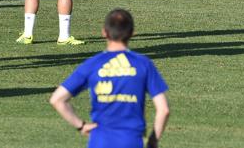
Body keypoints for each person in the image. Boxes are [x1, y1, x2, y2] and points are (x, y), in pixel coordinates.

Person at [50, 9, 170, 148]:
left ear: (104, 32)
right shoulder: (143, 64)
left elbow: (57, 99)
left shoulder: (93, 64)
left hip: (100, 141)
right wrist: (153, 140)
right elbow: (164, 109)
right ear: (131, 33)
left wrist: (81, 126)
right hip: (131, 141)